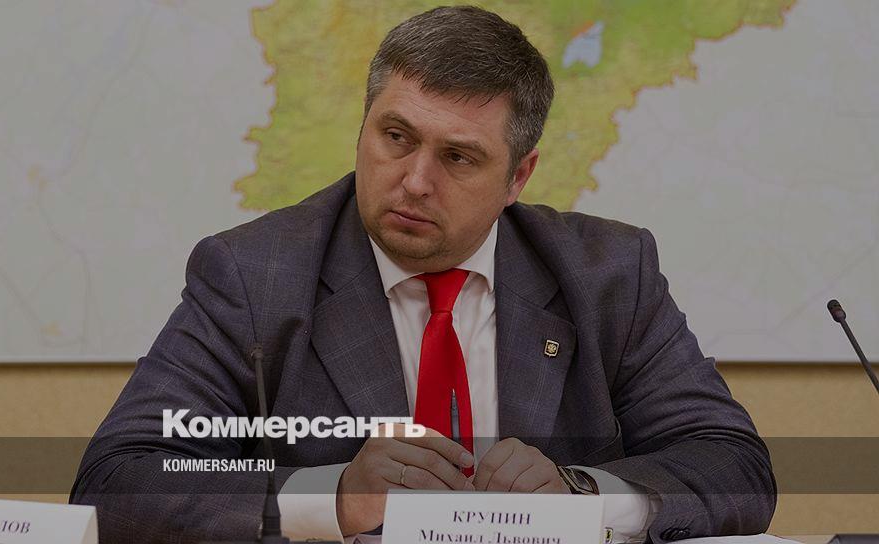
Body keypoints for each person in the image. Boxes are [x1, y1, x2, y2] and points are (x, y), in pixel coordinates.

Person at [71, 6, 776, 543]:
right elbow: (122, 477)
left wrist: (583, 495)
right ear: (364, 126)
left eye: (458, 158)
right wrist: (334, 496)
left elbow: (730, 463)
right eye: (395, 137)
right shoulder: (256, 274)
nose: (413, 181)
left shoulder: (609, 275)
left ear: (518, 176)